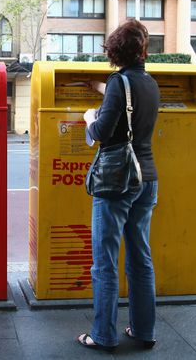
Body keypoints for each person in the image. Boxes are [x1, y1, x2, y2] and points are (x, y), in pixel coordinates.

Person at [77, 19, 160, 352]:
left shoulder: (118, 83)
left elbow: (101, 131)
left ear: (113, 50)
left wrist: (87, 117)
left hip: (117, 181)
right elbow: (128, 104)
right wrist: (101, 88)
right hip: (147, 179)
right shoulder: (149, 83)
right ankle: (143, 330)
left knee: (105, 261)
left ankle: (103, 334)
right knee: (140, 259)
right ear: (142, 50)